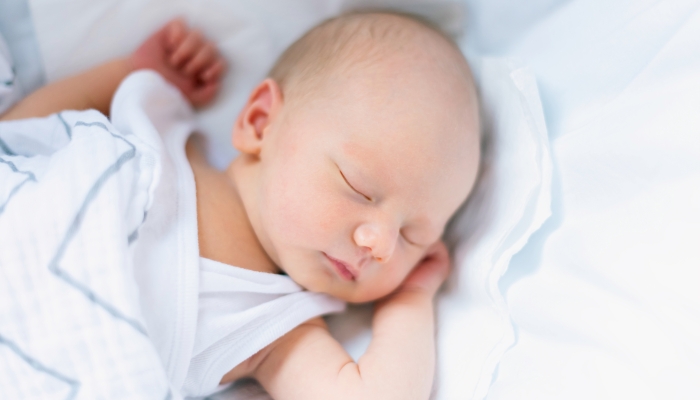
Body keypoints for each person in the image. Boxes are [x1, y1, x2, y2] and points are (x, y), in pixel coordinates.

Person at [1, 12, 480, 400]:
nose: (380, 243)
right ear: (260, 121)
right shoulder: (155, 129)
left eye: (413, 235)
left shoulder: (273, 329)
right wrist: (130, 73)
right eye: (358, 187)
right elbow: (19, 138)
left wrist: (413, 300)